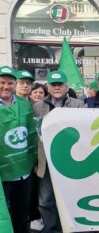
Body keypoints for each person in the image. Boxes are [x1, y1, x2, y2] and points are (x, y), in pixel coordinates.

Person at [33, 71, 85, 232]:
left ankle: (73, 227)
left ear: (66, 86)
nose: (57, 88)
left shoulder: (78, 105)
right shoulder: (37, 106)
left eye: (60, 84)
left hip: (71, 161)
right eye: (53, 85)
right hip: (46, 161)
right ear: (48, 87)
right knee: (46, 200)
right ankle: (51, 228)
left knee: (72, 196)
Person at [0, 65, 37, 233]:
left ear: (15, 85)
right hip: (4, 173)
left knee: (22, 213)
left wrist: (34, 161)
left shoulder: (24, 104)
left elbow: (32, 134)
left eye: (9, 83)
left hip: (25, 171)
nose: (6, 87)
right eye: (2, 82)